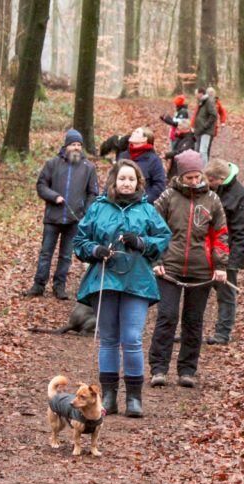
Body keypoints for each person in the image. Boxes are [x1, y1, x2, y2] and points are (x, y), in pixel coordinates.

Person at [73, 159, 171, 418]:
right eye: (122, 179)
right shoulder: (98, 208)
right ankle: (108, 396)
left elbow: (163, 238)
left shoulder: (147, 210)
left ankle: (134, 398)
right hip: (105, 279)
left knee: (132, 338)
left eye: (131, 179)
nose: (126, 183)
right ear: (114, 182)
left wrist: (141, 242)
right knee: (108, 339)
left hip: (137, 280)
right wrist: (95, 249)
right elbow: (80, 239)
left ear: (138, 182)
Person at [148, 150, 229, 388]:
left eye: (196, 177)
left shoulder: (212, 200)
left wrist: (220, 265)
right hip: (169, 267)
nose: (194, 182)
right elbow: (151, 228)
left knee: (193, 321)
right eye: (188, 178)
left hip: (201, 270)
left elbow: (221, 234)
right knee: (167, 316)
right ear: (180, 176)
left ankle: (187, 370)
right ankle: (158, 368)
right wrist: (156, 260)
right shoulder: (167, 197)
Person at [25, 129, 99, 299]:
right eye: (73, 144)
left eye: (79, 145)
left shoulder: (88, 167)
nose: (76, 148)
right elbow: (41, 185)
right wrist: (54, 197)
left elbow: (93, 192)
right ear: (66, 146)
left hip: (74, 220)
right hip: (53, 217)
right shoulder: (52, 164)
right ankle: (38, 285)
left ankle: (59, 287)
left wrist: (86, 211)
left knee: (66, 256)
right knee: (45, 253)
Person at [203, 159, 244, 345]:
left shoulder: (241, 197)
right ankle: (191, 331)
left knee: (226, 295)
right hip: (204, 252)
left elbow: (243, 233)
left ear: (221, 179)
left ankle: (223, 332)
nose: (205, 182)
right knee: (199, 292)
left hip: (226, 255)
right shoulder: (211, 190)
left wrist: (230, 262)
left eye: (209, 179)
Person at [118, 126, 166, 204]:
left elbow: (159, 185)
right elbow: (112, 178)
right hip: (119, 203)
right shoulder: (123, 156)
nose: (133, 133)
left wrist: (144, 200)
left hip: (142, 205)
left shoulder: (154, 160)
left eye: (137, 132)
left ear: (145, 139)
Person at [191, 87, 218, 166]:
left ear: (201, 93)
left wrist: (205, 125)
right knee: (198, 150)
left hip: (206, 130)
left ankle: (205, 170)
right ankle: (198, 167)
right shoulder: (201, 101)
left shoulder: (209, 101)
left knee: (203, 151)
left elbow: (214, 115)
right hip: (199, 130)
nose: (196, 96)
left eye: (196, 94)